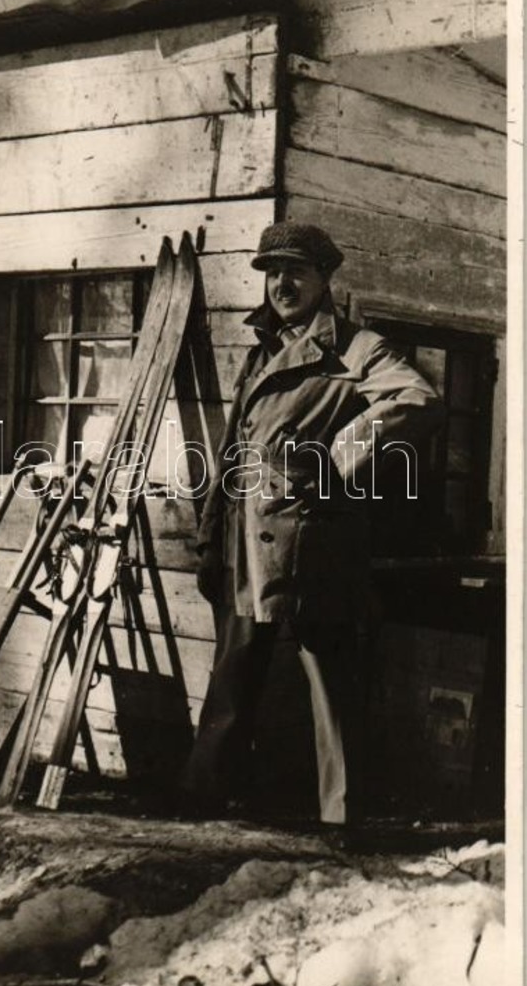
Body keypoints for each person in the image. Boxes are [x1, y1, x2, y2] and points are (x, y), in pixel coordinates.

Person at [182, 221, 444, 827]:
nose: (281, 283)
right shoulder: (260, 350)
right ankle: (200, 811)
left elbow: (417, 399)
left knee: (330, 692)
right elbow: (232, 455)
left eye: (295, 270)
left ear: (325, 278)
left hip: (312, 548)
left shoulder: (357, 348)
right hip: (245, 546)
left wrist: (338, 455)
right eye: (272, 272)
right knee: (231, 684)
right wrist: (209, 536)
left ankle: (342, 821)